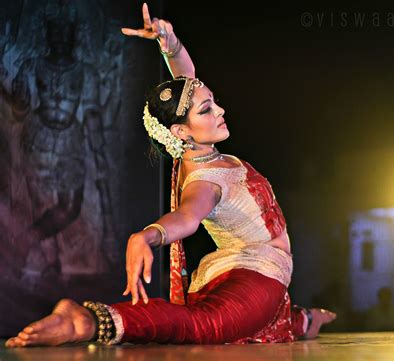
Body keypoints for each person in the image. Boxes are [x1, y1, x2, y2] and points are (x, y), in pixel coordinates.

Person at [5, 3, 336, 347]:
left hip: (247, 273)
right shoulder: (203, 180)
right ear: (180, 132)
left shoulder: (200, 151)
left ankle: (307, 318)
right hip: (258, 274)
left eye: (214, 101)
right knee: (206, 326)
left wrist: (169, 41)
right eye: (207, 109)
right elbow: (188, 217)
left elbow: (186, 81)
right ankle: (88, 321)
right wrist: (146, 236)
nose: (220, 110)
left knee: (276, 324)